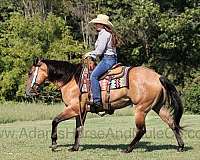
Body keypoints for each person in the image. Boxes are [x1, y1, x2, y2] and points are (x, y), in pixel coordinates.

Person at [84, 14, 119, 112]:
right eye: (96, 23)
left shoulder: (104, 33)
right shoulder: (108, 33)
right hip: (110, 58)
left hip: (107, 59)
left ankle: (97, 101)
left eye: (98, 23)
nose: (96, 25)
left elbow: (99, 51)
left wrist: (89, 53)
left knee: (93, 76)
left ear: (103, 25)